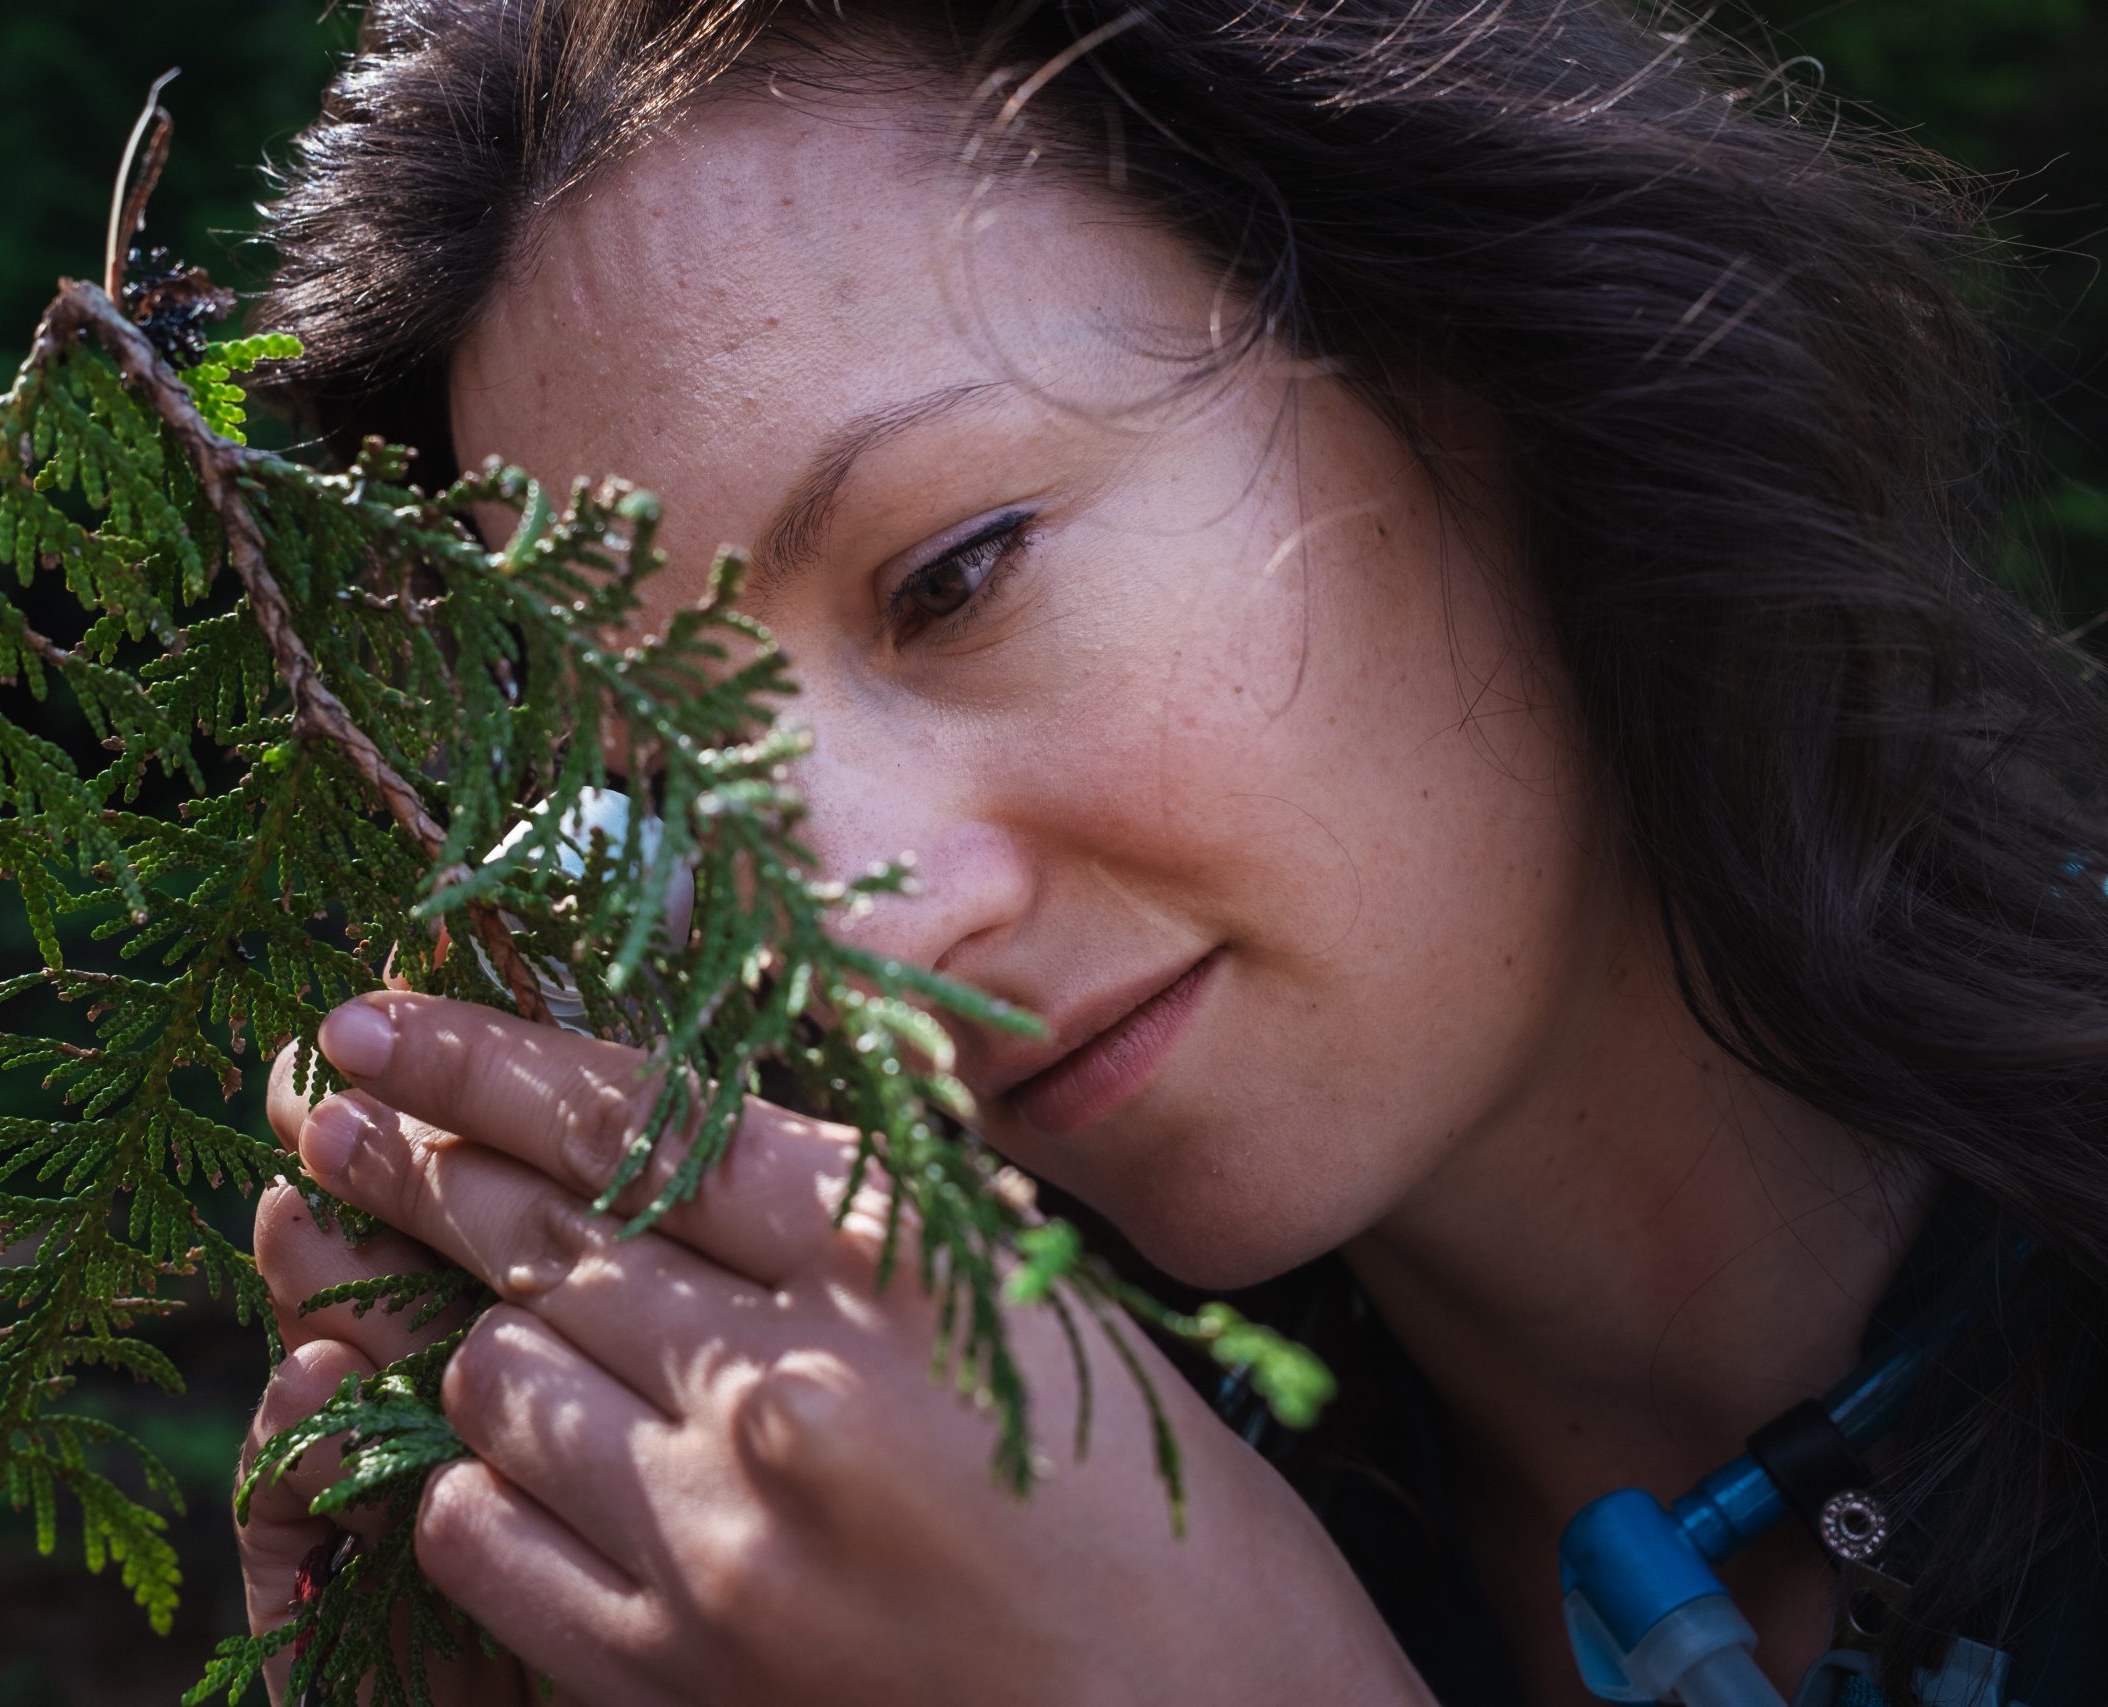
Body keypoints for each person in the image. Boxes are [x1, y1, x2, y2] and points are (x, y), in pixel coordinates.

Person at [232, 3, 2107, 1702]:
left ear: (1465, 349)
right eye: (687, 783)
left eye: (953, 576)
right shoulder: (932, 1572)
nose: (867, 927)